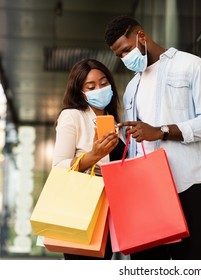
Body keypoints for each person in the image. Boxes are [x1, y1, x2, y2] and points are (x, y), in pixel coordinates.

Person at [104, 15, 201, 260]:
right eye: (120, 56)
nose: (125, 58)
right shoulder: (131, 88)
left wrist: (161, 131)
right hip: (146, 193)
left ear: (141, 36)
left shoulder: (192, 66)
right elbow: (136, 145)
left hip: (188, 186)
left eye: (127, 50)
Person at [52, 58, 124, 260]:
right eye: (91, 86)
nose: (99, 89)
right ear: (80, 92)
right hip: (84, 207)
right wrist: (93, 156)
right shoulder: (72, 116)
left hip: (111, 209)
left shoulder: (116, 123)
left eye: (103, 83)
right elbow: (58, 166)